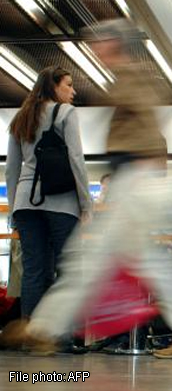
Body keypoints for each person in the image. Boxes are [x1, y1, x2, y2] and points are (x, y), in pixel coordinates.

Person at [2, 19, 172, 359]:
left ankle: (42, 328)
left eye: (100, 42)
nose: (96, 49)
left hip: (134, 183)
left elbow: (144, 130)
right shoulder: (128, 78)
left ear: (116, 43)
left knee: (87, 258)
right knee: (149, 264)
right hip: (132, 182)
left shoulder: (135, 78)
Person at [4, 66, 92, 320]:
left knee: (33, 270)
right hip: (61, 202)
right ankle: (60, 336)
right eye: (68, 85)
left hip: (25, 205)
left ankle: (31, 333)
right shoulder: (66, 112)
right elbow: (76, 159)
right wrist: (86, 205)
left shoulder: (21, 117)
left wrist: (14, 210)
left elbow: (11, 170)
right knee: (67, 270)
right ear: (53, 87)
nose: (73, 91)